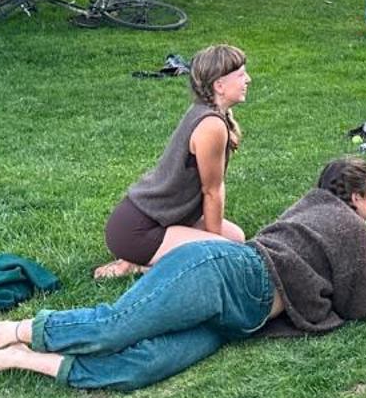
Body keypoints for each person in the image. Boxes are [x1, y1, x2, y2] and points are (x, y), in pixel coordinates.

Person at [0, 157, 366, 393]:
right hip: (223, 273)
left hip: (235, 318)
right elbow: (362, 304)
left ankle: (21, 358)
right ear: (353, 198)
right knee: (117, 326)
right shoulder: (350, 225)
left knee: (143, 368)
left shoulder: (317, 209)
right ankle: (12, 329)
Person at [95, 46, 252, 281]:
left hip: (153, 221)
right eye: (240, 74)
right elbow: (212, 191)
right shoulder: (211, 125)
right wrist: (213, 248)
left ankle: (140, 260)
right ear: (219, 85)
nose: (247, 79)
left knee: (236, 239)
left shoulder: (206, 110)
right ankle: (137, 264)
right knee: (226, 255)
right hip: (136, 231)